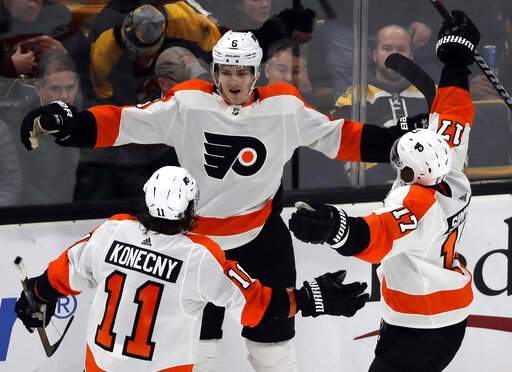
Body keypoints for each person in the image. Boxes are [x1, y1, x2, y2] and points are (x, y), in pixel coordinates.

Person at [19, 30, 424, 371]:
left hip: (262, 237)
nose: (234, 80)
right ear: (214, 71)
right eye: (226, 71)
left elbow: (342, 136)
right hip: (196, 244)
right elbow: (128, 122)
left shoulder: (284, 107)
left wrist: (398, 143)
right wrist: (74, 122)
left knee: (275, 349)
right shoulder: (188, 102)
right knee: (197, 346)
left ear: (256, 72)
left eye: (243, 71)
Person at [14, 165, 369, 371]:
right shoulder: (198, 255)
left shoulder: (112, 231)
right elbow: (256, 306)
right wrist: (310, 298)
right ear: (191, 210)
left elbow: (60, 276)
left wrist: (35, 295)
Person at [289, 10, 479, 371]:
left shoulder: (417, 204)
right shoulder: (448, 161)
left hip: (421, 324)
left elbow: (378, 236)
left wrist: (336, 228)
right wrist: (456, 60)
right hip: (442, 313)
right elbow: (454, 113)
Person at [88, 2, 315, 105]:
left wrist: (281, 27)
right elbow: (103, 95)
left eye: (150, 51)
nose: (144, 57)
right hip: (128, 89)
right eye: (139, 51)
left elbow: (227, 49)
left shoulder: (187, 19)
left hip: (180, 78)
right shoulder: (103, 49)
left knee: (178, 59)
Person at [333, 25, 429, 186]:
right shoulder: (352, 99)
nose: (394, 54)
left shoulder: (433, 94)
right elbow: (347, 151)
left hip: (428, 188)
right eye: (387, 48)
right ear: (375, 55)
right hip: (374, 192)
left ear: (411, 56)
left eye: (401, 49)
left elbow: (454, 142)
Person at [4, 50, 79, 205]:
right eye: (55, 89)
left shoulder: (88, 119)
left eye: (70, 88)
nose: (64, 96)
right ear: (39, 89)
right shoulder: (18, 126)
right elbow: (22, 185)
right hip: (39, 217)